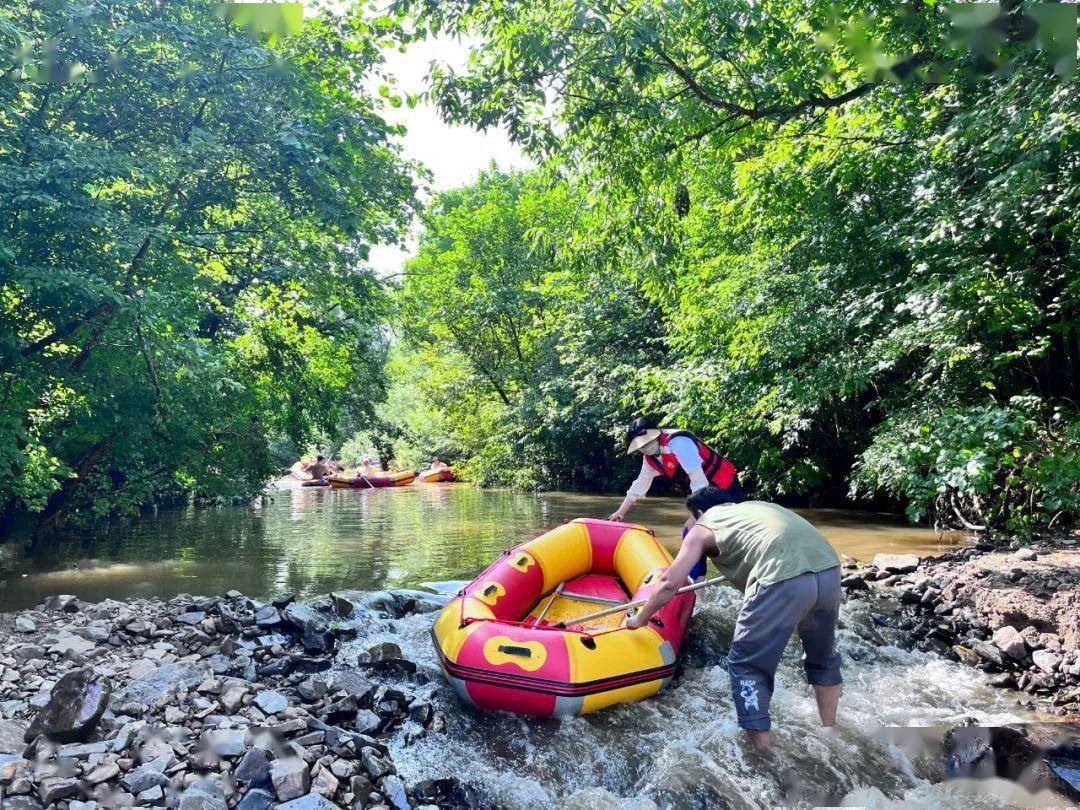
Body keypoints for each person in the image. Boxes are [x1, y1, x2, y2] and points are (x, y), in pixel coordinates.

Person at [626, 486, 843, 751]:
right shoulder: (757, 507)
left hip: (782, 578)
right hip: (829, 570)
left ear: (699, 512)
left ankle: (765, 754)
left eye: (689, 518)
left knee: (746, 666)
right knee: (823, 661)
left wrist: (640, 618)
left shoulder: (702, 527)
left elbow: (670, 582)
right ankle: (830, 734)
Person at [608, 416, 743, 524]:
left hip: (725, 486)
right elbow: (640, 484)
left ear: (656, 436)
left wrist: (693, 517)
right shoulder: (650, 459)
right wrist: (620, 513)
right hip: (704, 494)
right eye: (641, 446)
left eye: (648, 441)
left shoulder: (678, 443)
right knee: (694, 532)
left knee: (698, 529)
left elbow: (698, 481)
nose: (646, 447)